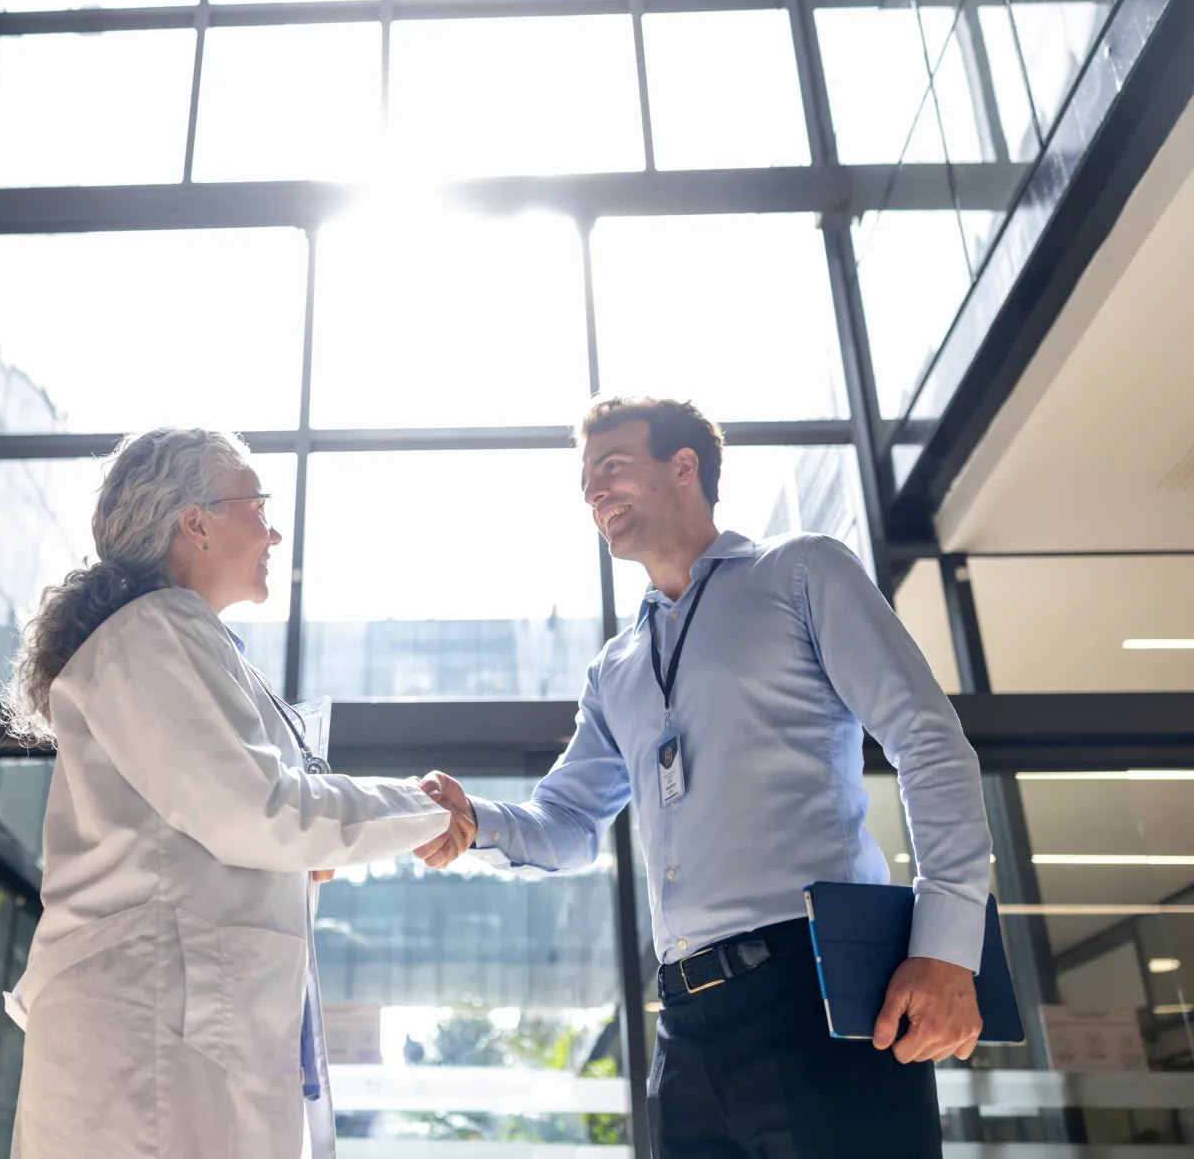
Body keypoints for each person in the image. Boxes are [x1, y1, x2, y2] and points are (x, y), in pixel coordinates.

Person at [416, 397, 992, 1159]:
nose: (593, 492)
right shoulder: (616, 668)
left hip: (814, 989)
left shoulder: (801, 570)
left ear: (684, 467)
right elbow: (569, 824)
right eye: (585, 481)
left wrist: (949, 945)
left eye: (612, 467)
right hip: (686, 1024)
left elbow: (927, 739)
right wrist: (477, 820)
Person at [0, 428, 468, 1159]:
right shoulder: (156, 631)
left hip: (166, 1029)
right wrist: (423, 810)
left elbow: (229, 818)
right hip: (145, 1032)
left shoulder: (177, 641)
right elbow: (259, 809)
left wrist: (292, 856)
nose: (274, 530)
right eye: (258, 506)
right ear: (196, 520)